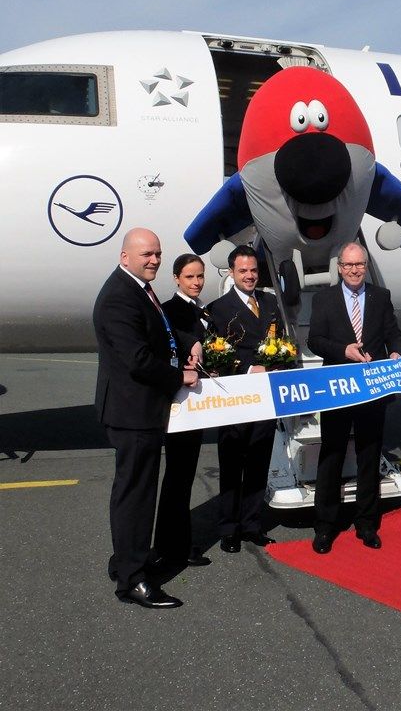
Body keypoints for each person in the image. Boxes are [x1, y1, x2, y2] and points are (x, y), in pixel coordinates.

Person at [93, 227, 200, 609]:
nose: (154, 259)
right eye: (146, 255)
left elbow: (159, 336)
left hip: (139, 408)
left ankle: (126, 559)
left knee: (135, 491)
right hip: (132, 411)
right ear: (125, 257)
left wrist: (185, 350)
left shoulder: (138, 288)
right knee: (135, 495)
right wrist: (180, 376)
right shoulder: (120, 299)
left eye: (157, 253)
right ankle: (133, 581)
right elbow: (137, 360)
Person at [306, 242, 401, 554]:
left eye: (359, 265)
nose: (354, 270)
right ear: (339, 267)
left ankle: (366, 523)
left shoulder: (381, 297)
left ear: (366, 266)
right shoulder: (324, 298)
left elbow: (393, 333)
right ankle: (325, 526)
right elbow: (315, 340)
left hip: (372, 389)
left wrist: (399, 350)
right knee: (331, 456)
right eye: (348, 265)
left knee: (369, 455)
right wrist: (343, 351)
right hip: (337, 388)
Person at [207, 245, 283, 554]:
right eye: (243, 271)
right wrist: (251, 366)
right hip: (235, 399)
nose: (250, 276)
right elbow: (215, 352)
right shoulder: (219, 308)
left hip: (264, 398)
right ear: (231, 273)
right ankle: (229, 528)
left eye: (253, 271)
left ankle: (252, 525)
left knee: (258, 463)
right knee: (231, 466)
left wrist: (280, 361)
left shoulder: (270, 303)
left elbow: (281, 343)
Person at [153, 254, 214, 568]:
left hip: (200, 404)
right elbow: (172, 343)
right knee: (178, 477)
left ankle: (174, 541)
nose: (197, 282)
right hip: (181, 404)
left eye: (200, 276)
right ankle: (175, 545)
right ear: (176, 278)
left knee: (184, 475)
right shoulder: (170, 309)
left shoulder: (203, 309)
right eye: (190, 277)